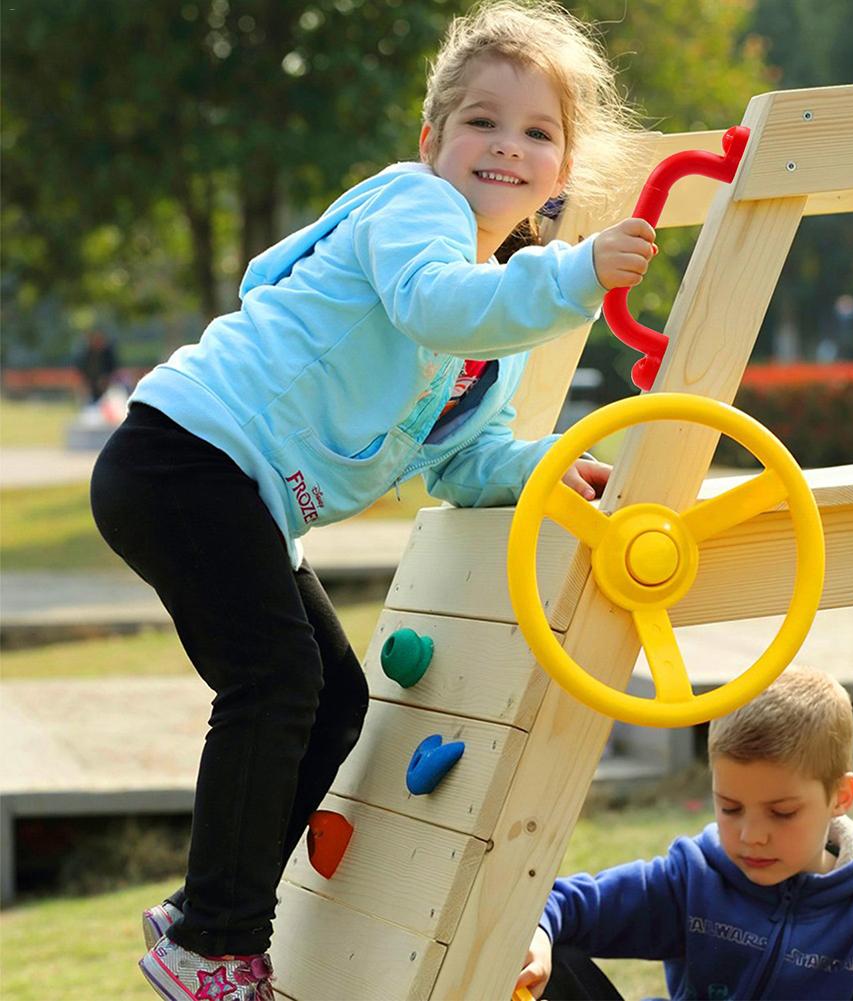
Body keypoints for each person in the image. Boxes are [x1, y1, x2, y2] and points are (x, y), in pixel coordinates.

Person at [89, 2, 656, 998]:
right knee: (274, 681)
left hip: (235, 492)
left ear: (560, 171)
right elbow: (431, 302)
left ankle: (204, 916)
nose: (504, 147)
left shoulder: (492, 322)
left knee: (335, 701)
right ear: (432, 139)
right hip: (184, 454)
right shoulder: (415, 211)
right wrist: (573, 276)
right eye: (481, 121)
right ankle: (213, 942)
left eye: (536, 133)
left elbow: (461, 456)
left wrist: (541, 467)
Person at [518, 667, 853, 1000]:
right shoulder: (693, 877)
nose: (752, 835)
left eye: (782, 813)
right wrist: (537, 938)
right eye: (730, 809)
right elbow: (566, 903)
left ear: (841, 796)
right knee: (544, 953)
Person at [76, 328, 118, 403]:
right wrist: (85, 382)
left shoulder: (108, 354)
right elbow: (81, 369)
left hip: (106, 384)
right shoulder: (87, 354)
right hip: (90, 384)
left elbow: (113, 368)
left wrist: (106, 378)